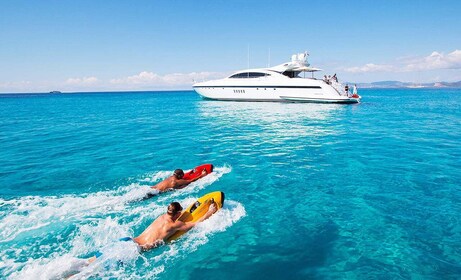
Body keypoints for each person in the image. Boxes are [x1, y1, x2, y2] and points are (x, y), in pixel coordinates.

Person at [87, 201, 217, 262]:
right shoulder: (174, 225)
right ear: (177, 213)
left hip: (128, 240)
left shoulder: (161, 217)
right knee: (94, 269)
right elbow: (196, 223)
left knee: (91, 261)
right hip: (135, 249)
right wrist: (210, 211)